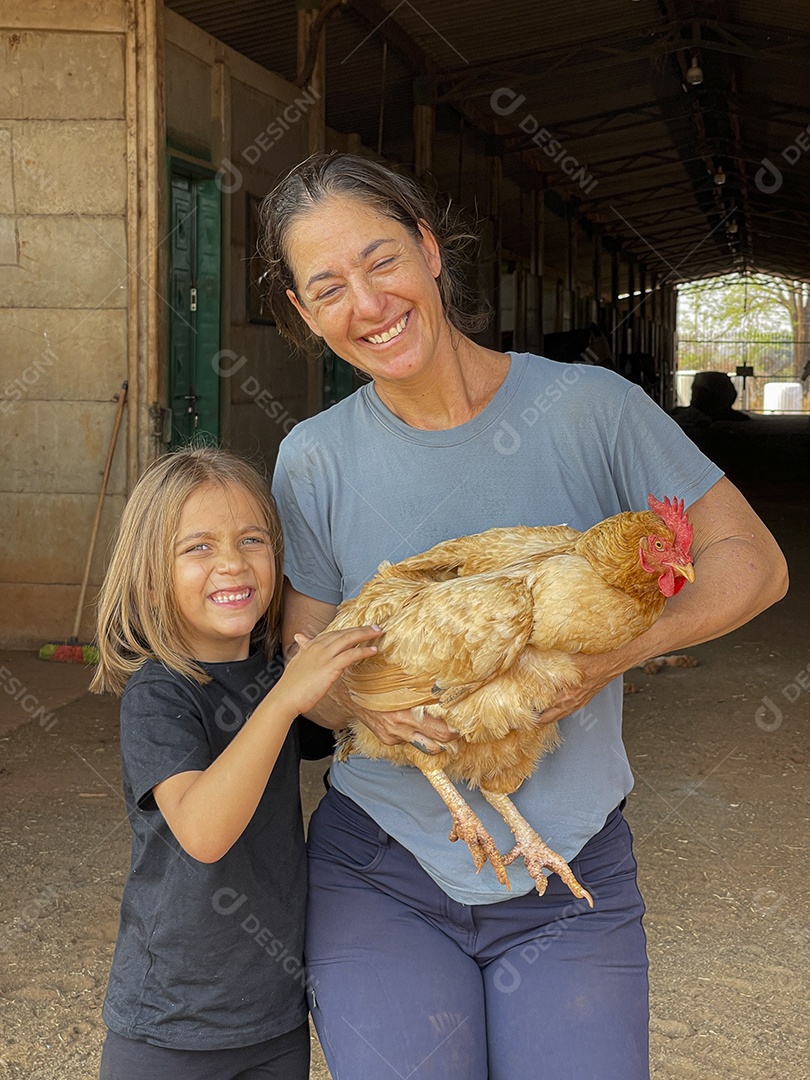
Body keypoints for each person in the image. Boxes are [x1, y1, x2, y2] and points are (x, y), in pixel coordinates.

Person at [261, 152, 788, 1080]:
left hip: (568, 862)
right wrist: (360, 709)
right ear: (305, 314)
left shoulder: (590, 409)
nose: (368, 303)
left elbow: (754, 564)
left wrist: (621, 652)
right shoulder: (314, 458)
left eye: (382, 260)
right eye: (328, 286)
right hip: (386, 865)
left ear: (430, 250)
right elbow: (308, 665)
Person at [90, 446, 380, 1080]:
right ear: (148, 574)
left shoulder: (278, 673)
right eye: (198, 547)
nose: (231, 562)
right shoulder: (159, 693)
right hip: (170, 1025)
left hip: (273, 1018)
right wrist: (285, 699)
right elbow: (203, 831)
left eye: (253, 539)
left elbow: (351, 727)